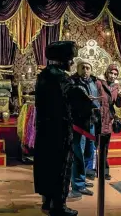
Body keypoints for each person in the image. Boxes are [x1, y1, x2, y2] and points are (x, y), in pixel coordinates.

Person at [34, 41, 96, 216]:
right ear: (63, 60)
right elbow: (76, 99)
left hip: (44, 128)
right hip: (59, 129)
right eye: (70, 59)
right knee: (61, 166)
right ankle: (58, 206)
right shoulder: (61, 78)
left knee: (46, 165)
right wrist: (93, 110)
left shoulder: (44, 75)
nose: (71, 63)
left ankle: (47, 202)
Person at [70, 59, 102, 198]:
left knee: (89, 151)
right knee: (78, 154)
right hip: (78, 123)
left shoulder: (94, 81)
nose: (85, 70)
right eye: (82, 67)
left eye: (88, 68)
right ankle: (78, 185)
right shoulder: (72, 82)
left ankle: (82, 179)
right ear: (77, 69)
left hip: (91, 122)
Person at [96, 64, 121, 180]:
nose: (113, 76)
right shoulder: (99, 83)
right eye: (111, 73)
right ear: (107, 73)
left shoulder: (116, 87)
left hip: (108, 119)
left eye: (115, 74)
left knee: (105, 147)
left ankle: (104, 171)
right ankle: (91, 170)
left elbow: (118, 105)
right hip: (97, 118)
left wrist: (120, 97)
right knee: (93, 147)